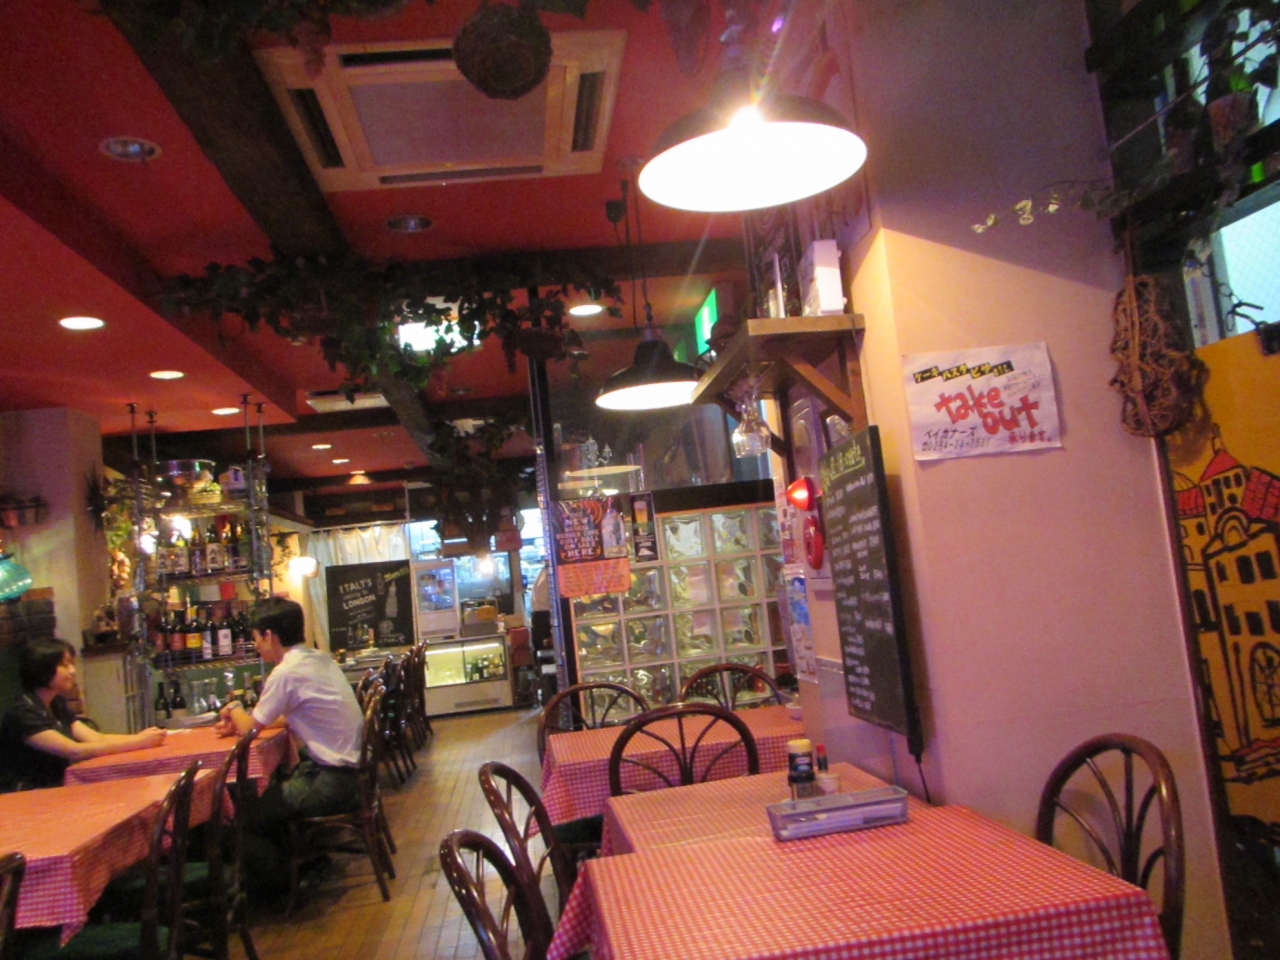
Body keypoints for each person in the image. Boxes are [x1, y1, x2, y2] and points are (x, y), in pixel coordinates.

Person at [215, 597, 364, 822]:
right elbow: (279, 719)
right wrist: (240, 722)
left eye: (255, 637)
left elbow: (249, 730)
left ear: (269, 635)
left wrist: (234, 708)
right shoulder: (320, 658)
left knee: (247, 810)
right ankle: (295, 843)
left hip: (334, 782)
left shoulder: (286, 672)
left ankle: (281, 845)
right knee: (272, 789)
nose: (256, 645)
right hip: (355, 774)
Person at [0, 638, 166, 792]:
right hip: (25, 794)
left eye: (71, 664)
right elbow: (74, 751)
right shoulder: (24, 712)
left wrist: (141, 738)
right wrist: (139, 742)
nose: (72, 671)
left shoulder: (56, 704)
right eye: (64, 665)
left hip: (53, 787)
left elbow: (96, 738)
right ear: (42, 669)